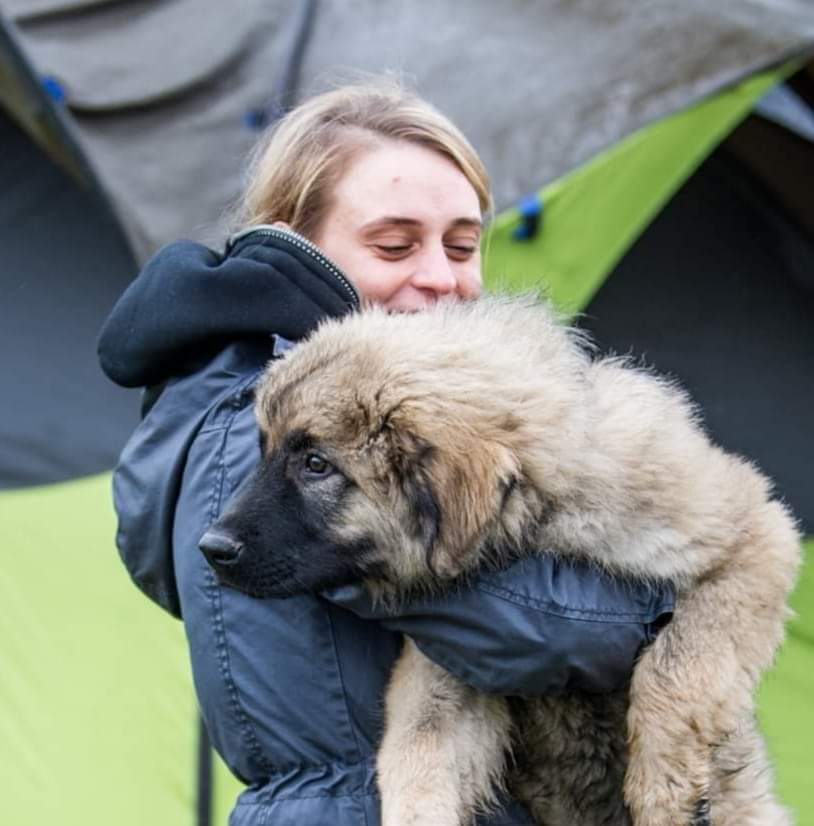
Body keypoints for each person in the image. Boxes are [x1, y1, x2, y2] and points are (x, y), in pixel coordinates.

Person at [98, 78, 674, 826]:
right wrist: (666, 602)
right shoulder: (284, 421)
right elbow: (570, 632)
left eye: (463, 245)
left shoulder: (238, 393)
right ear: (294, 242)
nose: (442, 278)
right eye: (394, 245)